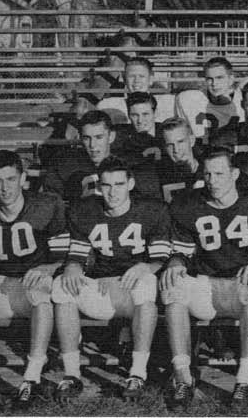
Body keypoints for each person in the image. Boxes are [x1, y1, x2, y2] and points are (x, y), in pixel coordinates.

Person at [161, 147, 248, 408]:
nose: (213, 181)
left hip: (239, 286)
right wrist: (176, 263)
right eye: (208, 174)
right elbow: (182, 252)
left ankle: (244, 381)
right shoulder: (187, 204)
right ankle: (182, 377)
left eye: (219, 174)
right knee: (172, 287)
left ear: (235, 173)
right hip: (204, 282)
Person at [52, 156, 171, 400]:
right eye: (106, 185)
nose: (112, 192)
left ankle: (137, 374)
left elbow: (160, 258)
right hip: (101, 287)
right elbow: (77, 254)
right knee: (61, 286)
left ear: (130, 184)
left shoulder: (152, 210)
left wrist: (146, 267)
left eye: (118, 184)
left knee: (147, 282)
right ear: (99, 186)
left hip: (132, 290)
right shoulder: (83, 211)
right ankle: (71, 374)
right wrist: (73, 266)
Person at [0, 150, 69, 408]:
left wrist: (49, 266)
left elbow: (67, 255)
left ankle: (31, 377)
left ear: (23, 178)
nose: (5, 187)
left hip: (30, 287)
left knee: (42, 293)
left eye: (11, 179)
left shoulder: (46, 205)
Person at [44, 110, 157, 203]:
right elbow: (52, 204)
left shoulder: (132, 164)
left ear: (111, 136)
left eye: (99, 137)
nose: (92, 145)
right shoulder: (65, 164)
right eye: (87, 138)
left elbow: (149, 205)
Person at [175, 57, 244, 141]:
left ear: (231, 79)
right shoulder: (189, 99)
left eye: (219, 78)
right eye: (210, 79)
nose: (214, 83)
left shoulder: (242, 102)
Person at [97, 57, 175, 124]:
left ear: (151, 79)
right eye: (132, 76)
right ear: (124, 79)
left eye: (141, 76)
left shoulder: (167, 103)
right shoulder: (109, 105)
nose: (137, 80)